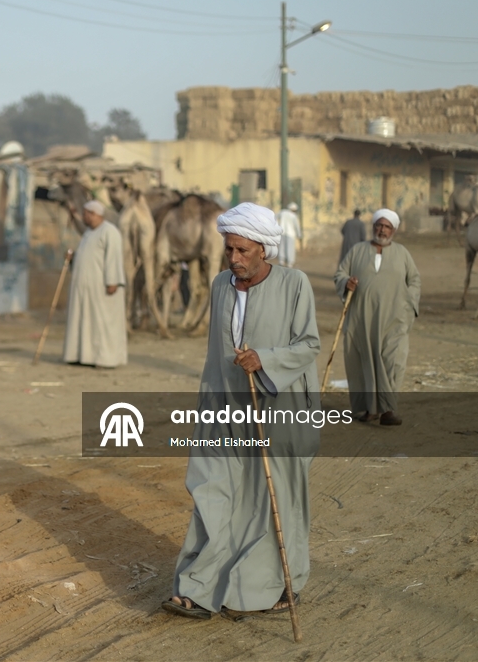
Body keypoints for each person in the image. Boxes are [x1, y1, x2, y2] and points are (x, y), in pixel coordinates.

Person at [165, 202, 321, 620]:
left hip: (280, 409)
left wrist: (264, 359)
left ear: (263, 248)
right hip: (225, 410)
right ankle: (197, 587)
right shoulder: (220, 285)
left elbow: (309, 346)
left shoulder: (295, 284)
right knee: (212, 491)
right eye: (229, 249)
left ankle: (271, 586)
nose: (234, 259)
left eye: (243, 251)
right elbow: (216, 354)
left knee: (272, 501)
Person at [333, 209, 420, 426]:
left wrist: (408, 305)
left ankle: (388, 409)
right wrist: (346, 283)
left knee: (394, 361)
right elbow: (340, 273)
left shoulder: (402, 253)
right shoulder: (357, 250)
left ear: (394, 230)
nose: (382, 230)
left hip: (394, 320)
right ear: (373, 227)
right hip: (362, 319)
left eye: (387, 226)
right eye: (379, 225)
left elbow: (415, 280)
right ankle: (370, 409)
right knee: (364, 362)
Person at [62, 200, 127, 368]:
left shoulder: (110, 232)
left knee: (102, 325)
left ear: (94, 214)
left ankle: (105, 359)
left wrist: (113, 281)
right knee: (83, 323)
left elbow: (113, 258)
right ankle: (82, 356)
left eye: (85, 214)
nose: (83, 217)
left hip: (102, 289)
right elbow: (89, 258)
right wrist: (72, 258)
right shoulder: (88, 234)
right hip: (85, 290)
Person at [276, 202, 302, 268]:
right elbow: (297, 226)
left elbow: (275, 217)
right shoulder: (294, 216)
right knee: (290, 248)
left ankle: (281, 261)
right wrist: (299, 235)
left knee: (282, 247)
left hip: (282, 232)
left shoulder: (283, 212)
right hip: (290, 234)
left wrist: (276, 226)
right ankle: (289, 263)